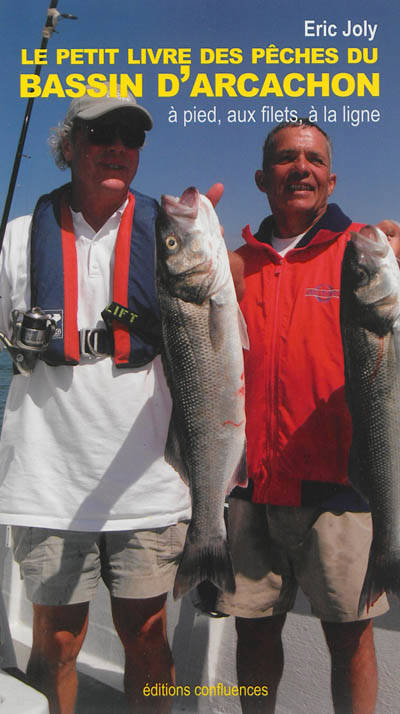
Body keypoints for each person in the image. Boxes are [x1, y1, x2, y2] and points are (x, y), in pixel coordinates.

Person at [0, 88, 195, 714]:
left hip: (149, 481)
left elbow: (226, 301)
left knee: (147, 635)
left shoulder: (175, 236)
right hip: (48, 479)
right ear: (68, 146)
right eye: (99, 134)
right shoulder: (17, 238)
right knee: (56, 641)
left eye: (130, 137)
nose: (116, 147)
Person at [217, 119, 389, 714]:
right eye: (286, 158)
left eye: (314, 160)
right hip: (250, 488)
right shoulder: (234, 266)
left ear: (331, 180)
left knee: (349, 640)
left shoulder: (366, 256)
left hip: (341, 489)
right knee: (254, 635)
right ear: (261, 178)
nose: (301, 168)